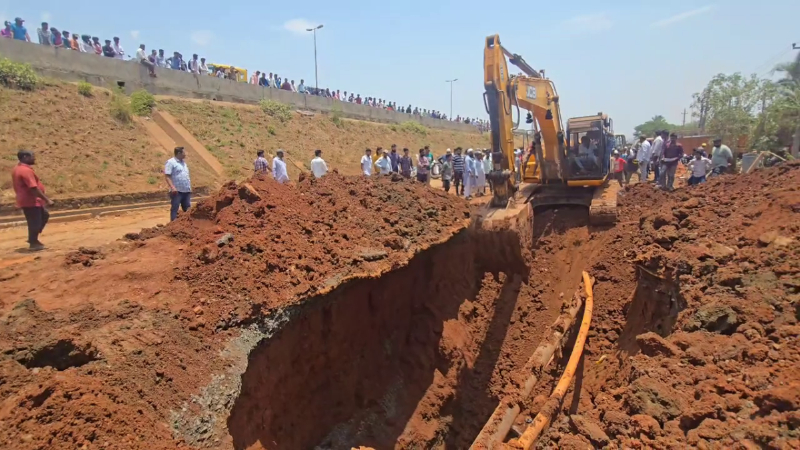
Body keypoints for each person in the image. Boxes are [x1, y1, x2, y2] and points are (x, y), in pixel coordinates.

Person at [12, 150, 53, 251]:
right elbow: (33, 188)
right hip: (31, 201)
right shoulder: (25, 171)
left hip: (29, 200)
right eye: (32, 156)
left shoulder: (18, 169)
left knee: (43, 216)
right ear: (25, 157)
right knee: (35, 222)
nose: (34, 158)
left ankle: (33, 239)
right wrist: (47, 199)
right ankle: (33, 242)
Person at [164, 147, 191, 221]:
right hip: (177, 191)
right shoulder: (170, 162)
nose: (185, 154)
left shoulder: (183, 163)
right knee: (175, 208)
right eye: (184, 152)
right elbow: (167, 176)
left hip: (186, 190)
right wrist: (172, 187)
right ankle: (173, 225)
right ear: (179, 153)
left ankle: (187, 226)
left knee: (188, 209)